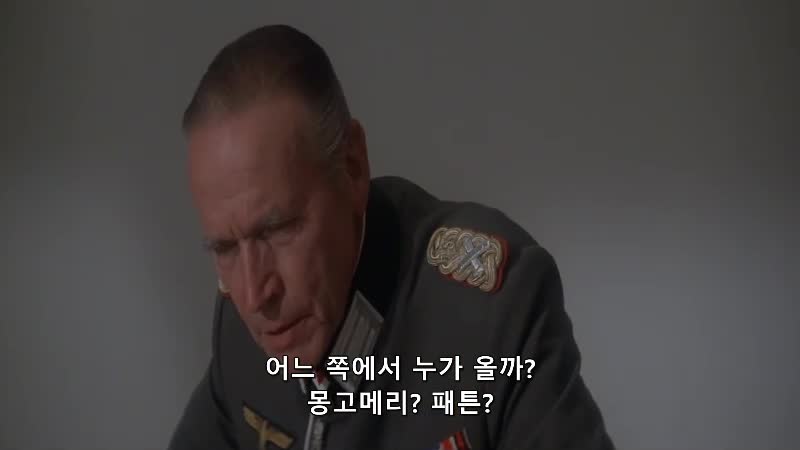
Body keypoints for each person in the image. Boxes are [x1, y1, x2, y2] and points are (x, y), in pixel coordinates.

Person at [169, 24, 614, 450]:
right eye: (225, 247)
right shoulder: (237, 329)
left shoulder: (491, 318)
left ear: (353, 167)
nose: (254, 294)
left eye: (278, 228)